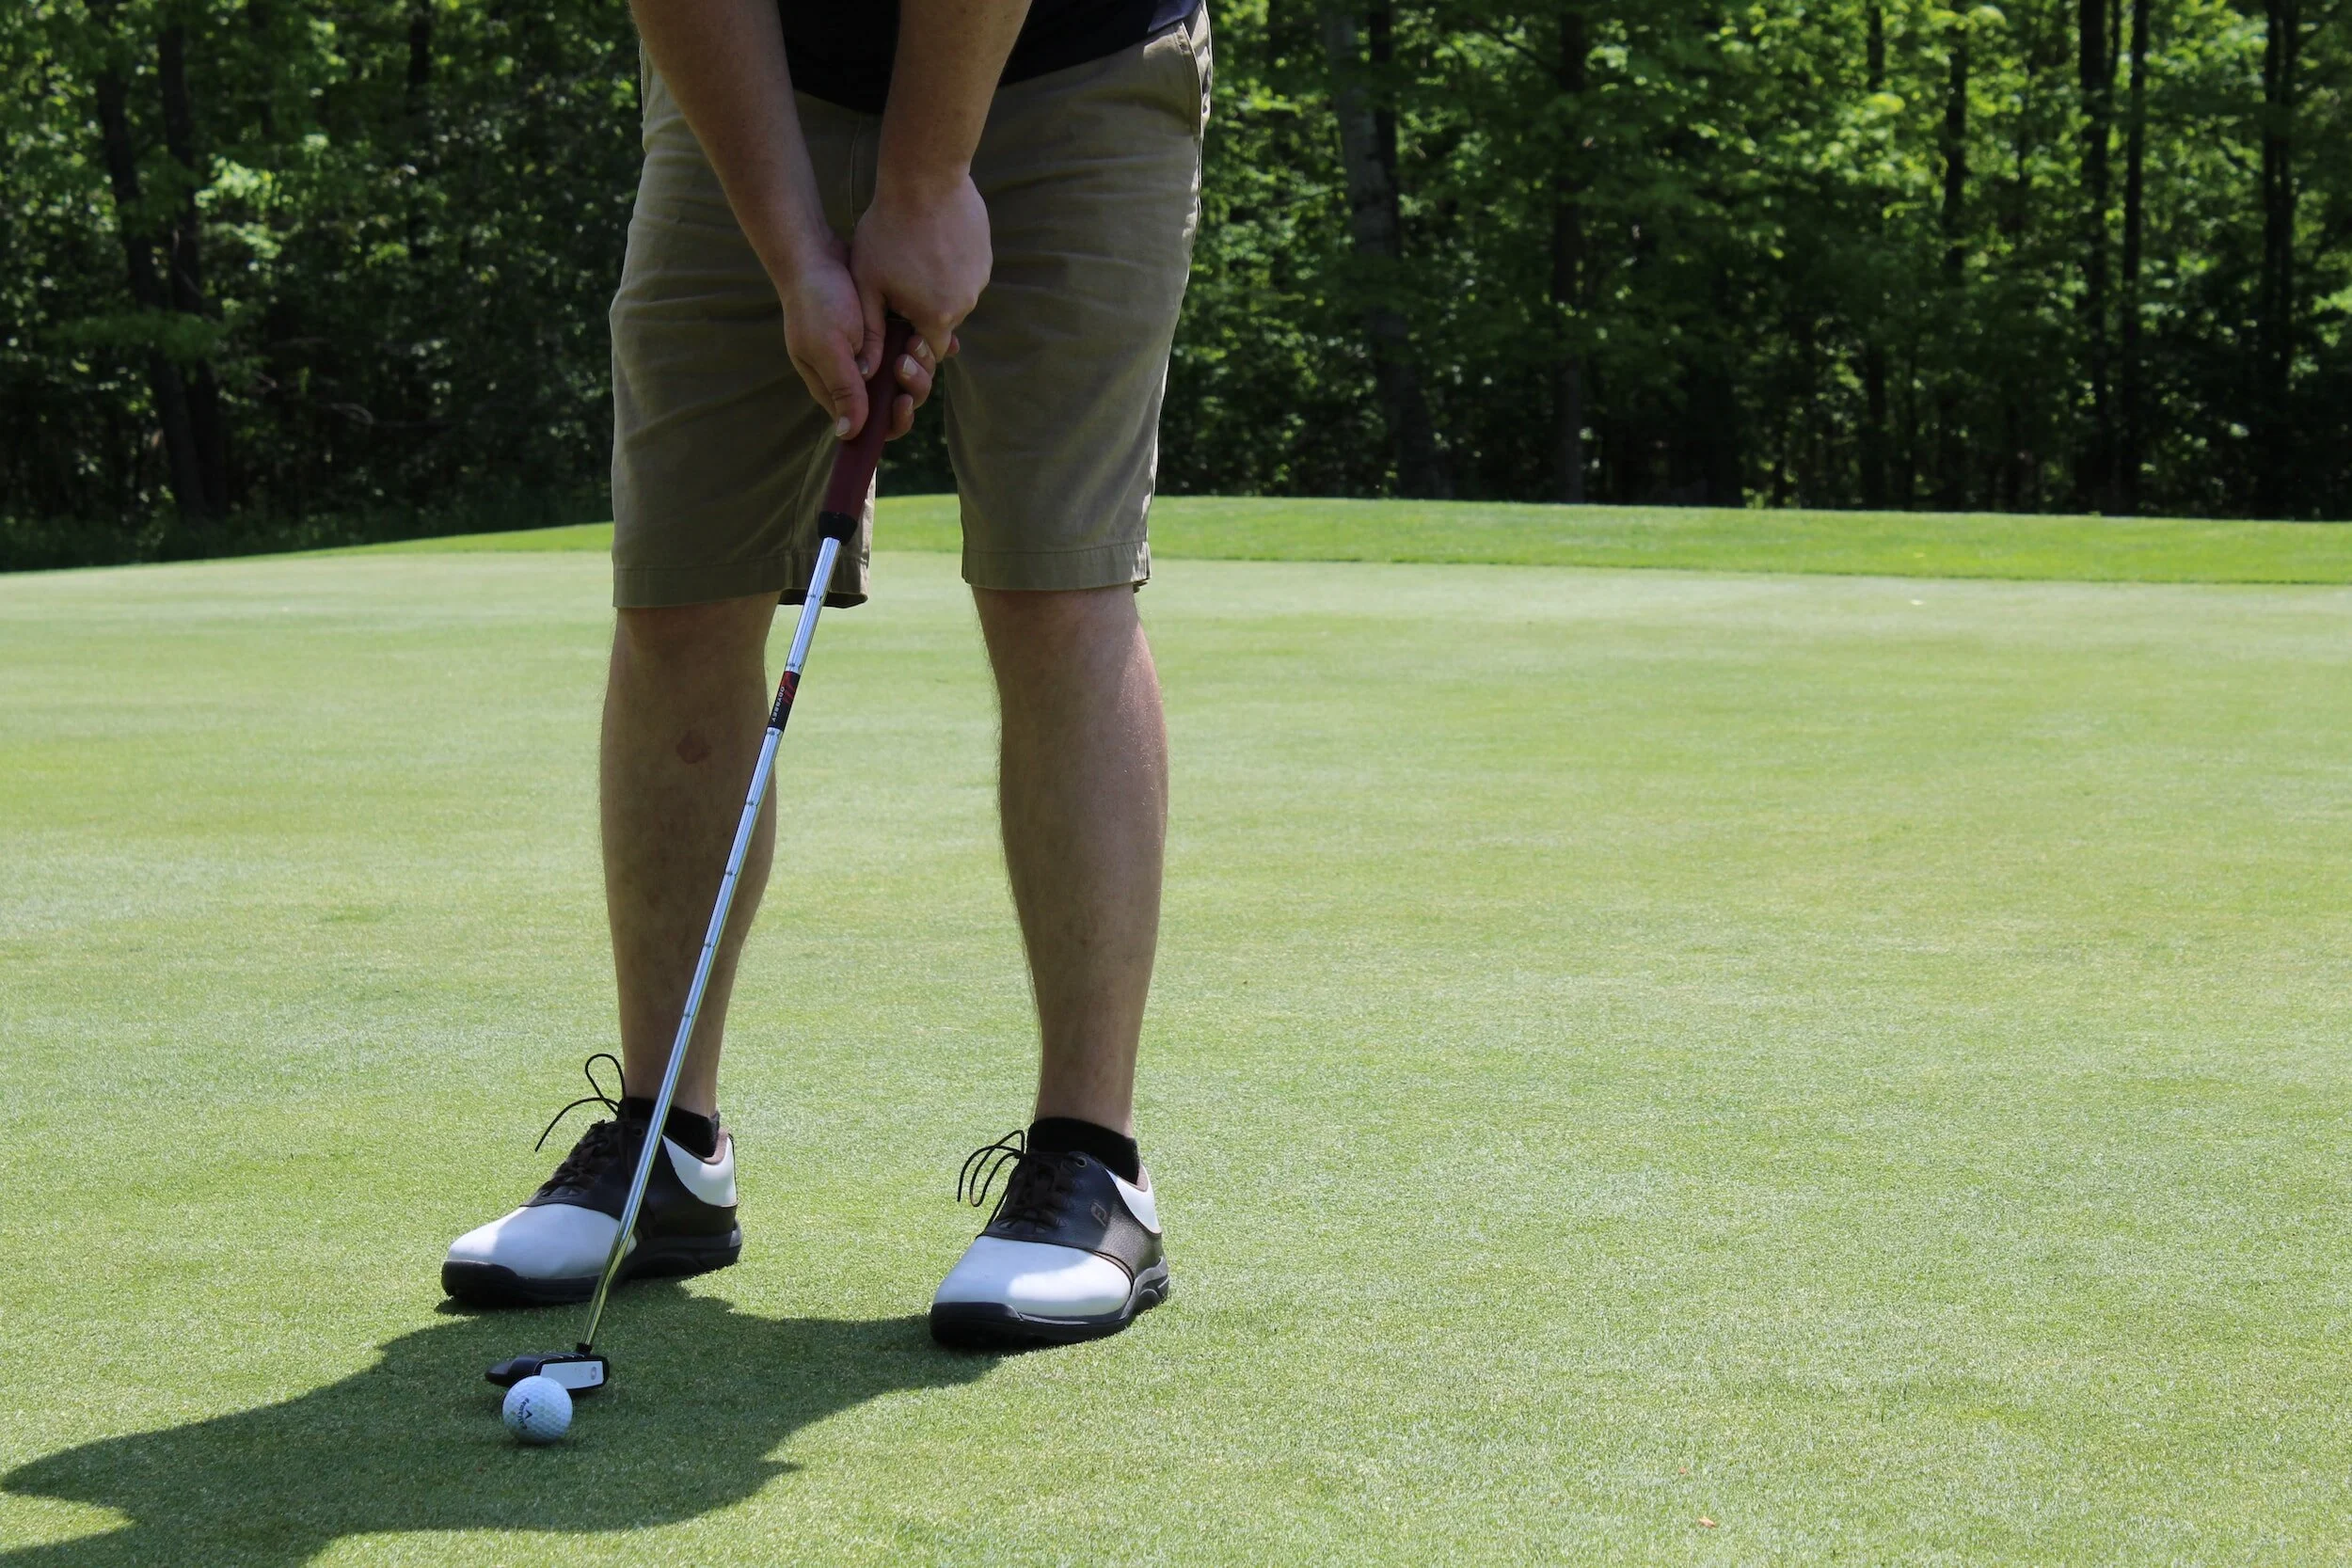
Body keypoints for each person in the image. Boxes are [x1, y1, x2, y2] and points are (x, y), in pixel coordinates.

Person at [439, 0, 1210, 1346]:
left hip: (1076, 56)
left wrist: (920, 186)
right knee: (680, 583)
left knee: (1055, 579)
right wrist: (800, 255)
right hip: (764, 81)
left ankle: (1095, 1163)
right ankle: (666, 1145)